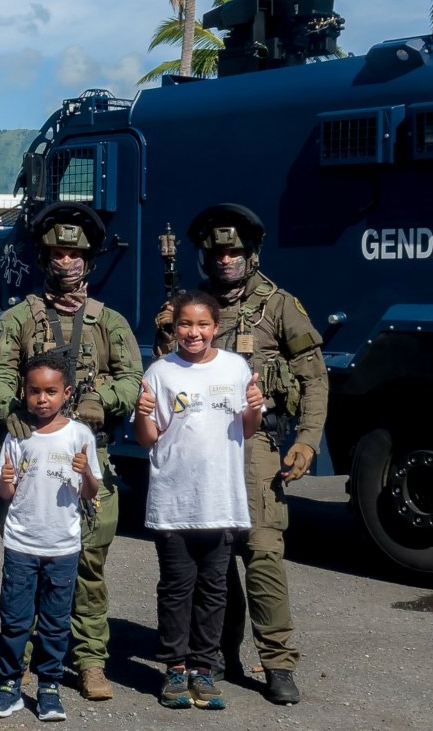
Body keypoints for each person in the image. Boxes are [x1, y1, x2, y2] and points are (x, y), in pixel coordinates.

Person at [140, 204, 328, 706]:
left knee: (262, 553)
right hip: (197, 452)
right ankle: (214, 654)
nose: (226, 259)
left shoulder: (279, 306)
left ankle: (278, 662)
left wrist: (308, 439)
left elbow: (313, 377)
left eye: (236, 251)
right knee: (212, 561)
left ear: (251, 253)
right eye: (218, 252)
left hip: (254, 443)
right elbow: (165, 380)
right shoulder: (187, 309)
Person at [0, 203, 141, 701]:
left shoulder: (108, 321)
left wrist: (101, 401)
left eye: (75, 254)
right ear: (44, 257)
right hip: (33, 462)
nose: (66, 261)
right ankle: (24, 660)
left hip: (88, 459)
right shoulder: (18, 317)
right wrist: (8, 408)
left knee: (89, 567)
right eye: (57, 252)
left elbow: (132, 378)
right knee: (27, 568)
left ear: (88, 260)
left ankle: (90, 660)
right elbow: (0, 373)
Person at [138, 290, 260, 711]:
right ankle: (175, 669)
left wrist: (255, 407)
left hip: (220, 501)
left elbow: (247, 428)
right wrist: (142, 412)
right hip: (173, 502)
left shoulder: (235, 367)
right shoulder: (161, 371)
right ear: (174, 328)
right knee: (176, 589)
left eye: (202, 324)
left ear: (216, 327)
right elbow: (148, 438)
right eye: (185, 324)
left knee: (213, 591)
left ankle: (203, 669)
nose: (193, 332)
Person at [0, 353, 100, 723]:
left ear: (67, 393)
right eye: (34, 391)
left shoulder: (79, 435)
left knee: (54, 622)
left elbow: (91, 492)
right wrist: (6, 480)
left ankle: (49, 686)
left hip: (62, 546)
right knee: (15, 619)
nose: (42, 399)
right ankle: (9, 684)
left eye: (51, 391)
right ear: (24, 392)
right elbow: (6, 492)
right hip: (21, 543)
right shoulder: (18, 436)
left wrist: (85, 473)